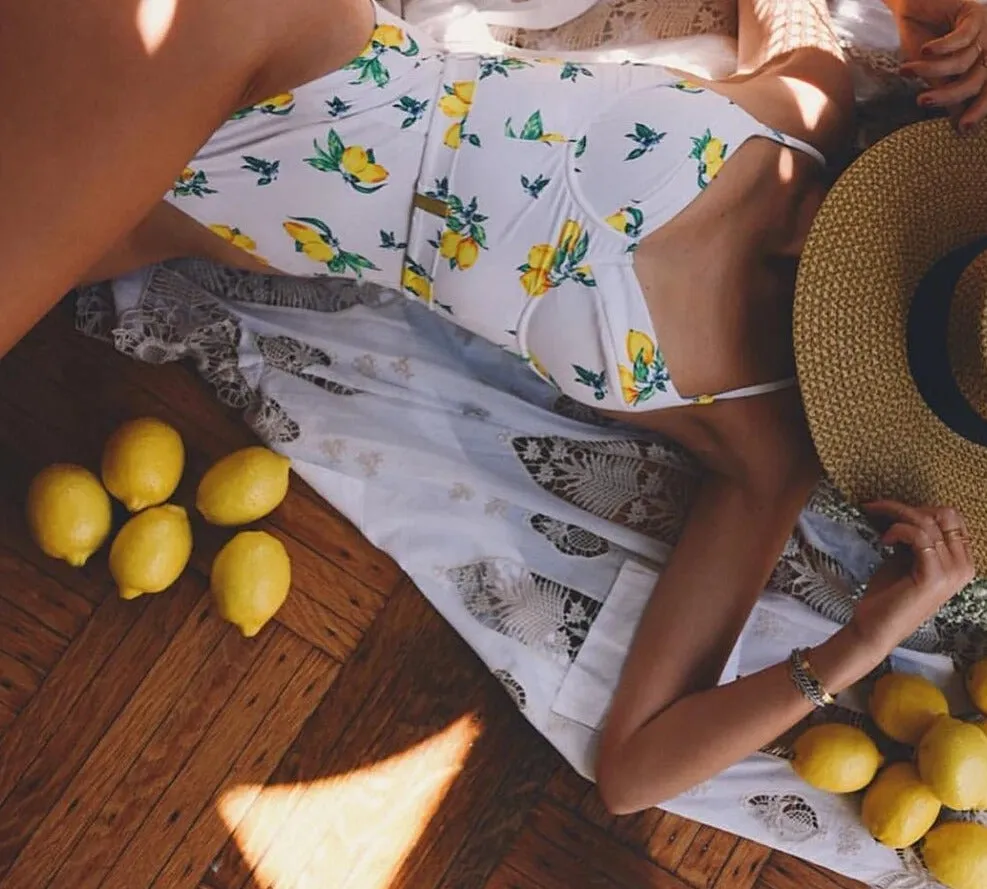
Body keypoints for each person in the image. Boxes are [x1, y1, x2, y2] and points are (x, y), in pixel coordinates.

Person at [1, 0, 984, 811]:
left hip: (186, 216)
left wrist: (861, 643)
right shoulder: (814, 105)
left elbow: (635, 771)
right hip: (267, 39)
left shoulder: (766, 443)